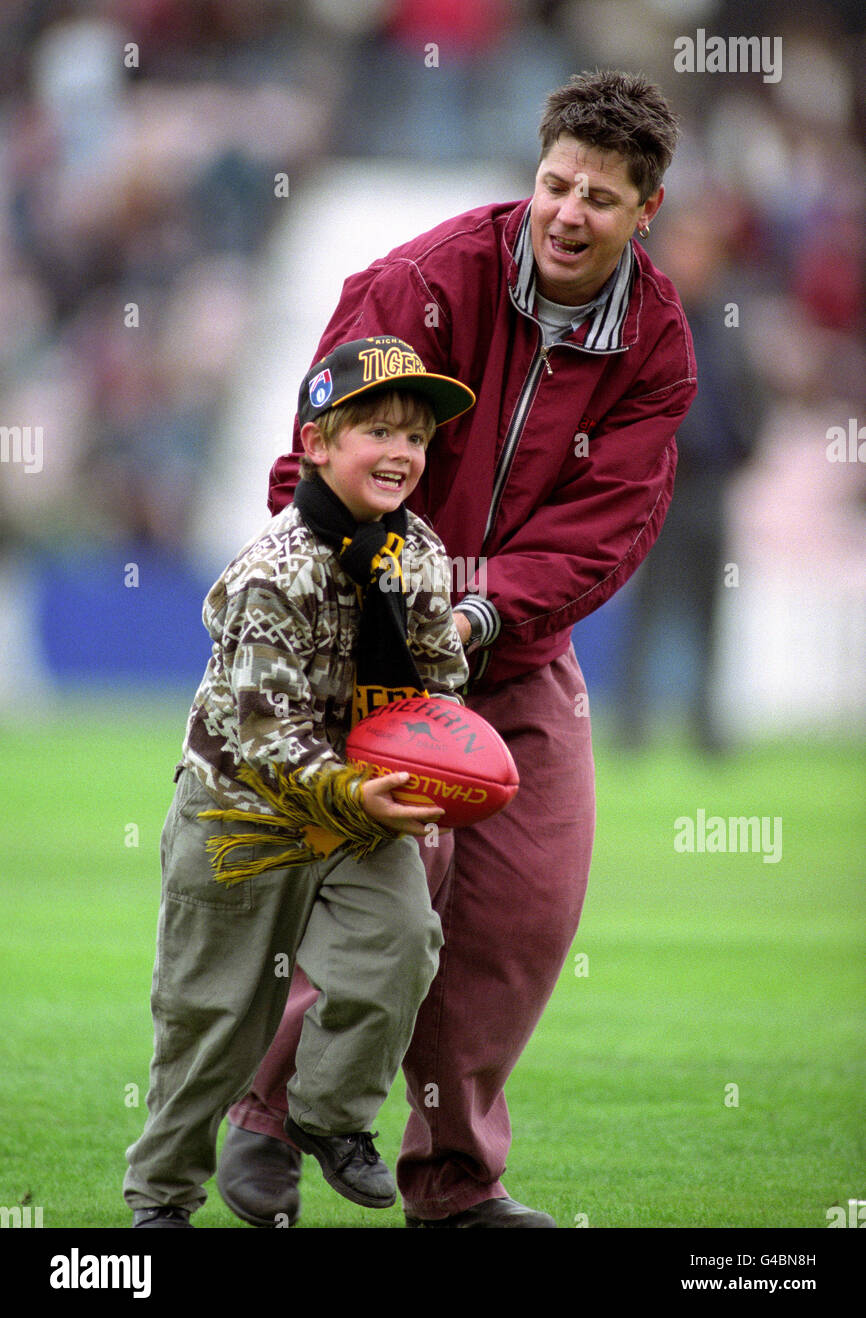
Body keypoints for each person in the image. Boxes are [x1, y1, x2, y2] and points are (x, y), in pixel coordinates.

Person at [217, 69, 698, 1228]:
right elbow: (311, 463)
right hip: (369, 618)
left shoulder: (659, 343)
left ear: (648, 211)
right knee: (393, 882)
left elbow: (609, 526)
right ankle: (267, 1120)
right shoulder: (421, 282)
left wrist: (477, 615)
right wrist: (387, 608)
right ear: (532, 176)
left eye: (600, 197)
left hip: (515, 643)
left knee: (527, 909)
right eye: (554, 184)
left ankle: (454, 1184)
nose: (568, 213)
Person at [123, 335, 475, 1227]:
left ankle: (325, 1119)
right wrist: (361, 792)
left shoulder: (422, 555)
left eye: (418, 437)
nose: (402, 452)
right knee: (211, 1024)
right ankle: (160, 1202)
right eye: (378, 432)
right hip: (241, 815)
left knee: (400, 943)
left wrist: (447, 751)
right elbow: (265, 734)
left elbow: (438, 685)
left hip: (361, 810)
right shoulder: (272, 570)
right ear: (317, 443)